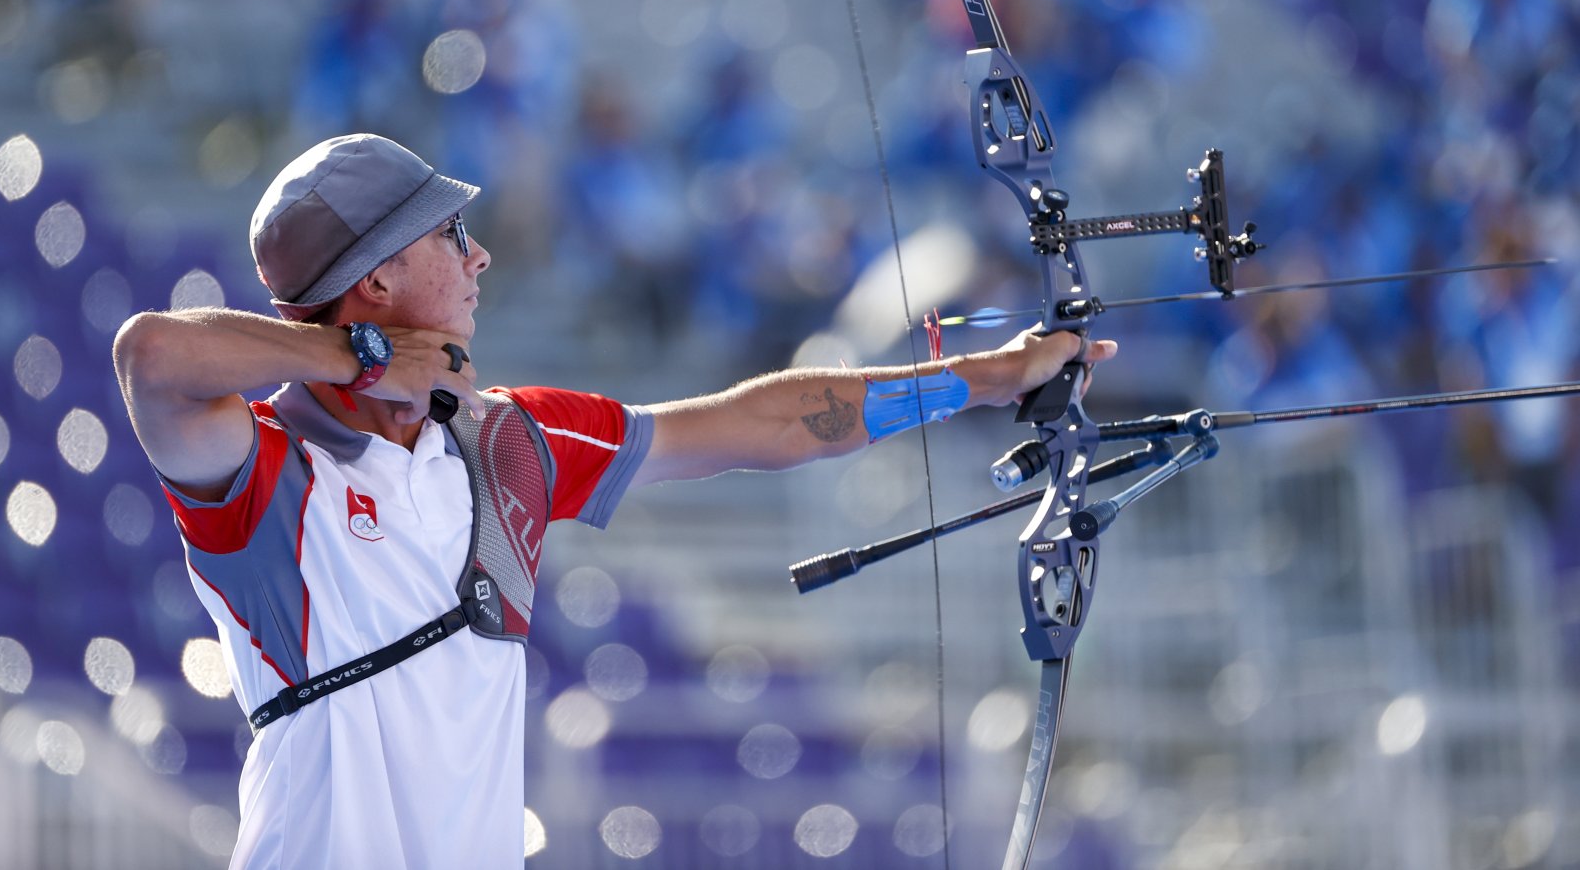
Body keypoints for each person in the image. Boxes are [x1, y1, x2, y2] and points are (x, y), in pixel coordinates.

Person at [112, 133, 1117, 868]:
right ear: (374, 280)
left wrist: (982, 381)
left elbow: (760, 423)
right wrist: (367, 358)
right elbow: (151, 354)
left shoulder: (507, 439)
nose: (480, 255)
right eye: (449, 234)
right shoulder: (267, 469)